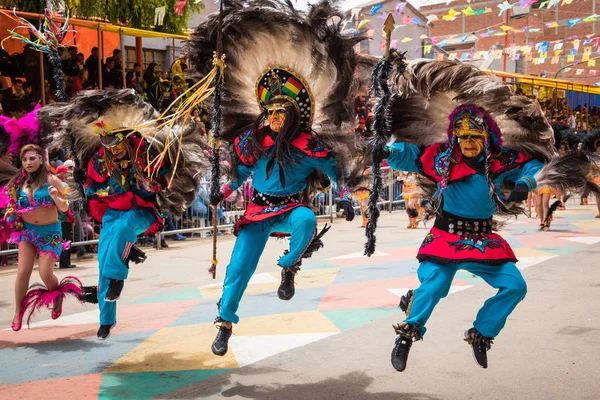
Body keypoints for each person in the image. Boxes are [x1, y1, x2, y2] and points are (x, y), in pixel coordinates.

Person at [370, 58, 594, 372]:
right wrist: (386, 150)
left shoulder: (501, 159)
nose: (469, 144)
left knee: (515, 286)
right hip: (445, 237)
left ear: (486, 137)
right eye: (463, 138)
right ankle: (407, 334)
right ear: (454, 138)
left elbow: (530, 164)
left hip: (483, 239)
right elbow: (410, 155)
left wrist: (524, 182)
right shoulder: (442, 158)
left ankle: (482, 332)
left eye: (475, 138)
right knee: (435, 287)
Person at [191, 0, 369, 357]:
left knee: (305, 219)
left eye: (280, 110)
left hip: (290, 209)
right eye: (269, 110)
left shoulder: (310, 146)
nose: (273, 115)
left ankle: (289, 265)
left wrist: (345, 197)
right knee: (238, 269)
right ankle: (225, 323)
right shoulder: (252, 141)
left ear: (293, 113)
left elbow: (336, 174)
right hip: (256, 213)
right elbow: (239, 173)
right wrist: (221, 191)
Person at [39, 89, 208, 340]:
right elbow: (94, 185)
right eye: (106, 143)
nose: (112, 149)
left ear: (125, 138)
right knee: (103, 259)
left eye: (115, 143)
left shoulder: (144, 151)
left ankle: (117, 278)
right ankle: (106, 318)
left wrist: (157, 182)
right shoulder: (100, 158)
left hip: (142, 211)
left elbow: (165, 172)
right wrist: (83, 181)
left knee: (121, 233)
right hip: (112, 212)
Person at [0, 142, 83, 331]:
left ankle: (57, 295)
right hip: (27, 233)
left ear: (41, 159)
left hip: (50, 233)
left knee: (45, 273)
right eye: (24, 159)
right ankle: (18, 312)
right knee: (22, 272)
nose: (28, 162)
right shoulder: (17, 183)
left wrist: (56, 197)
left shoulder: (51, 179)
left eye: (32, 158)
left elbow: (66, 207)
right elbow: (10, 206)